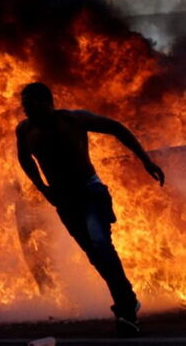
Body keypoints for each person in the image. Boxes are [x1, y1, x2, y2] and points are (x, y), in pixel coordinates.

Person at [15, 82, 165, 336]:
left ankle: (126, 308)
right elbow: (25, 159)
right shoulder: (25, 130)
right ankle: (127, 299)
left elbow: (116, 128)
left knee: (100, 243)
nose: (27, 109)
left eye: (31, 103)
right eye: (24, 104)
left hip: (89, 191)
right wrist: (42, 187)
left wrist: (146, 160)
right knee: (94, 255)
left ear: (47, 102)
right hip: (64, 200)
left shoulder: (73, 120)